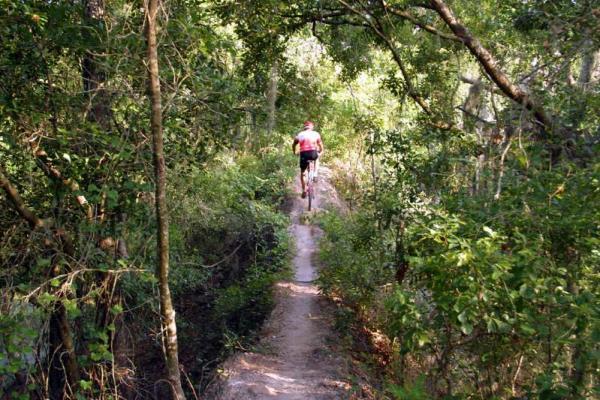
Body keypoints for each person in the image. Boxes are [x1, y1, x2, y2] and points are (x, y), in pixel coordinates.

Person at [292, 121, 323, 198]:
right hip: (313, 153)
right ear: (311, 127)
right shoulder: (316, 134)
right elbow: (320, 145)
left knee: (303, 173)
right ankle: (315, 174)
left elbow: (294, 144)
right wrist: (321, 151)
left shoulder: (300, 134)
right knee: (316, 158)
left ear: (304, 127)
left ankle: (304, 190)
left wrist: (294, 152)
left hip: (304, 154)